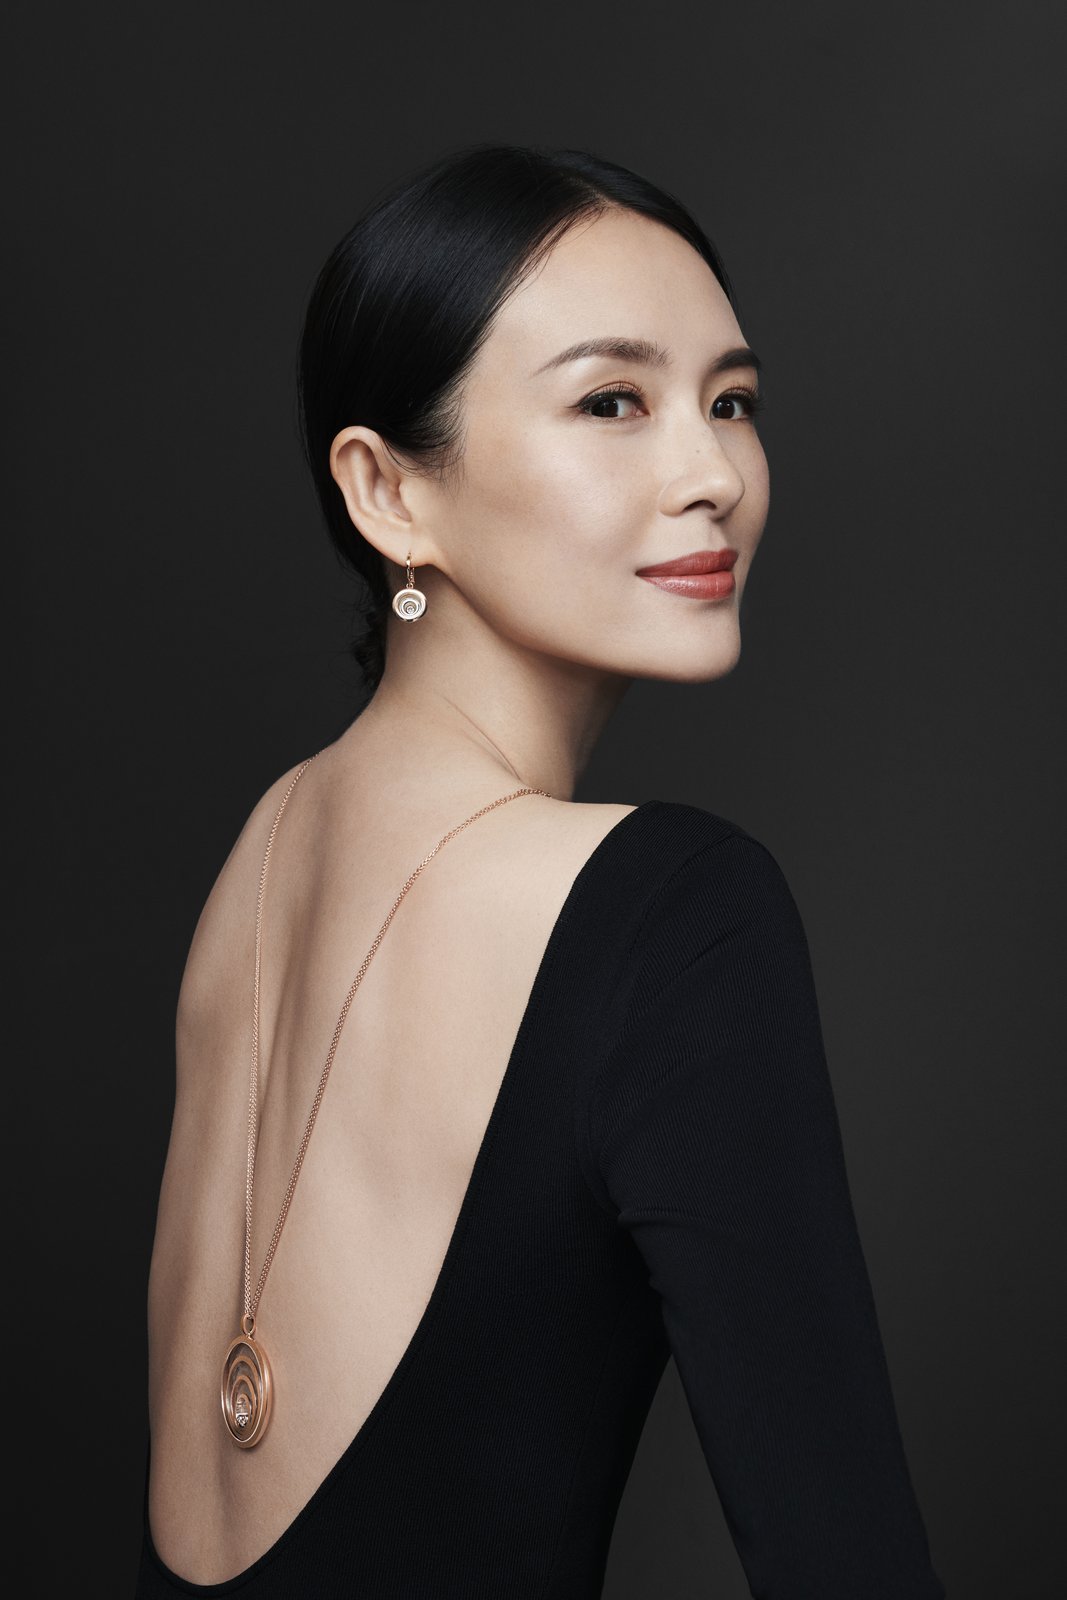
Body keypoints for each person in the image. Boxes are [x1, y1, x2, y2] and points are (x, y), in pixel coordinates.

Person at [135, 142, 946, 1597]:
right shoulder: (673, 912)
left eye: (732, 402)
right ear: (390, 492)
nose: (714, 476)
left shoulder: (262, 853)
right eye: (612, 402)